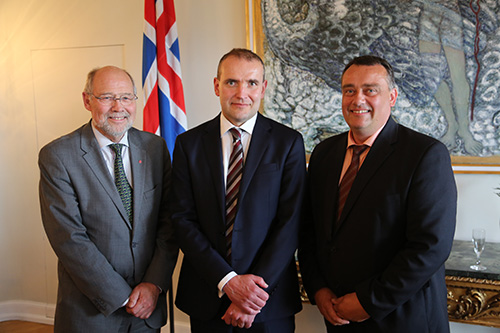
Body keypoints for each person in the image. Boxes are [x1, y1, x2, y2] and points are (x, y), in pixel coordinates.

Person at [298, 55, 457, 332]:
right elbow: (310, 229)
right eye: (349, 90)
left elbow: (429, 246)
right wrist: (318, 289)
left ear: (392, 96)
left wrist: (369, 302)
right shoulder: (324, 154)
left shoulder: (425, 155)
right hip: (337, 315)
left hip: (402, 319)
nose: (358, 99)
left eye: (370, 90)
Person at [171, 48, 306, 332]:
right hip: (208, 295)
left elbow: (291, 222)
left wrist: (251, 296)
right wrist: (228, 281)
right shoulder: (188, 144)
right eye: (232, 82)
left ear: (263, 88)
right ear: (217, 85)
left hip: (268, 300)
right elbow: (183, 219)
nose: (241, 92)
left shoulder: (288, 142)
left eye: (252, 83)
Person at [38, 66, 178, 332]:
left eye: (126, 97)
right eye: (107, 97)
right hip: (91, 313)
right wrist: (123, 297)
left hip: (147, 311)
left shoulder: (155, 148)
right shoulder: (58, 156)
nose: (118, 107)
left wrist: (153, 285)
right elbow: (69, 239)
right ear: (87, 100)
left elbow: (168, 224)